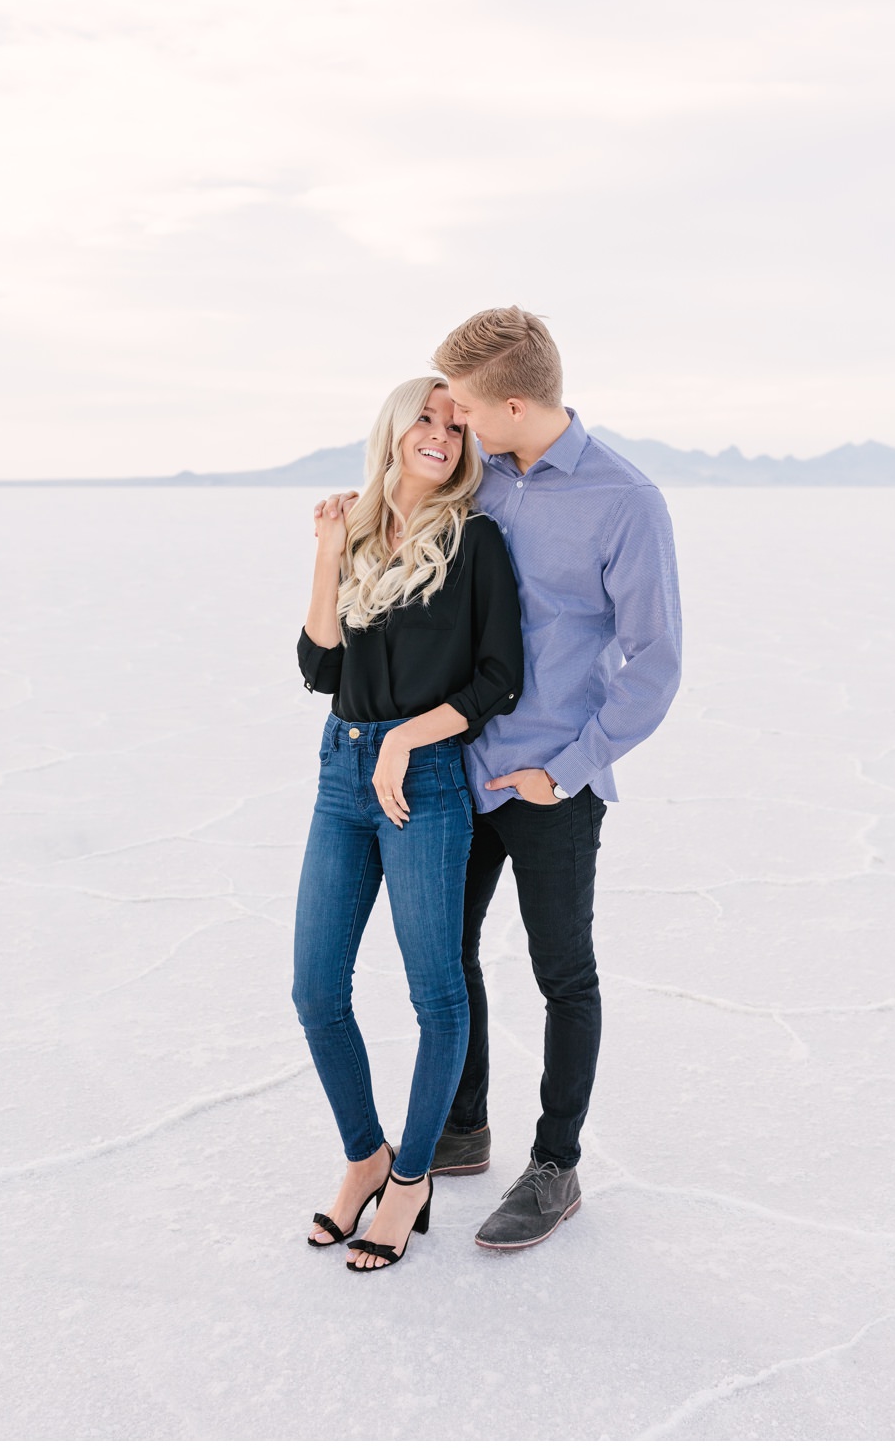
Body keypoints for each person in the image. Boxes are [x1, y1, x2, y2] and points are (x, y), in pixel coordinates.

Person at [423, 306, 683, 1249]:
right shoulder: (477, 479)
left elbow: (655, 665)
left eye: (466, 411)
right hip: (460, 766)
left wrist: (567, 771)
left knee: (561, 971)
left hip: (548, 783)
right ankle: (465, 1125)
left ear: (519, 402)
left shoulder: (625, 501)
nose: (455, 426)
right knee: (443, 950)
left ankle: (555, 1166)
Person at [293, 377, 524, 1270]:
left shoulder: (476, 543)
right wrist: (325, 551)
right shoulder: (357, 532)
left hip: (422, 780)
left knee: (437, 994)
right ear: (393, 428)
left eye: (455, 426)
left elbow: (497, 676)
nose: (440, 435)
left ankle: (414, 1177)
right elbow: (319, 666)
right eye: (425, 418)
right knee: (316, 991)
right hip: (341, 772)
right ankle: (366, 1158)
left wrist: (407, 741)